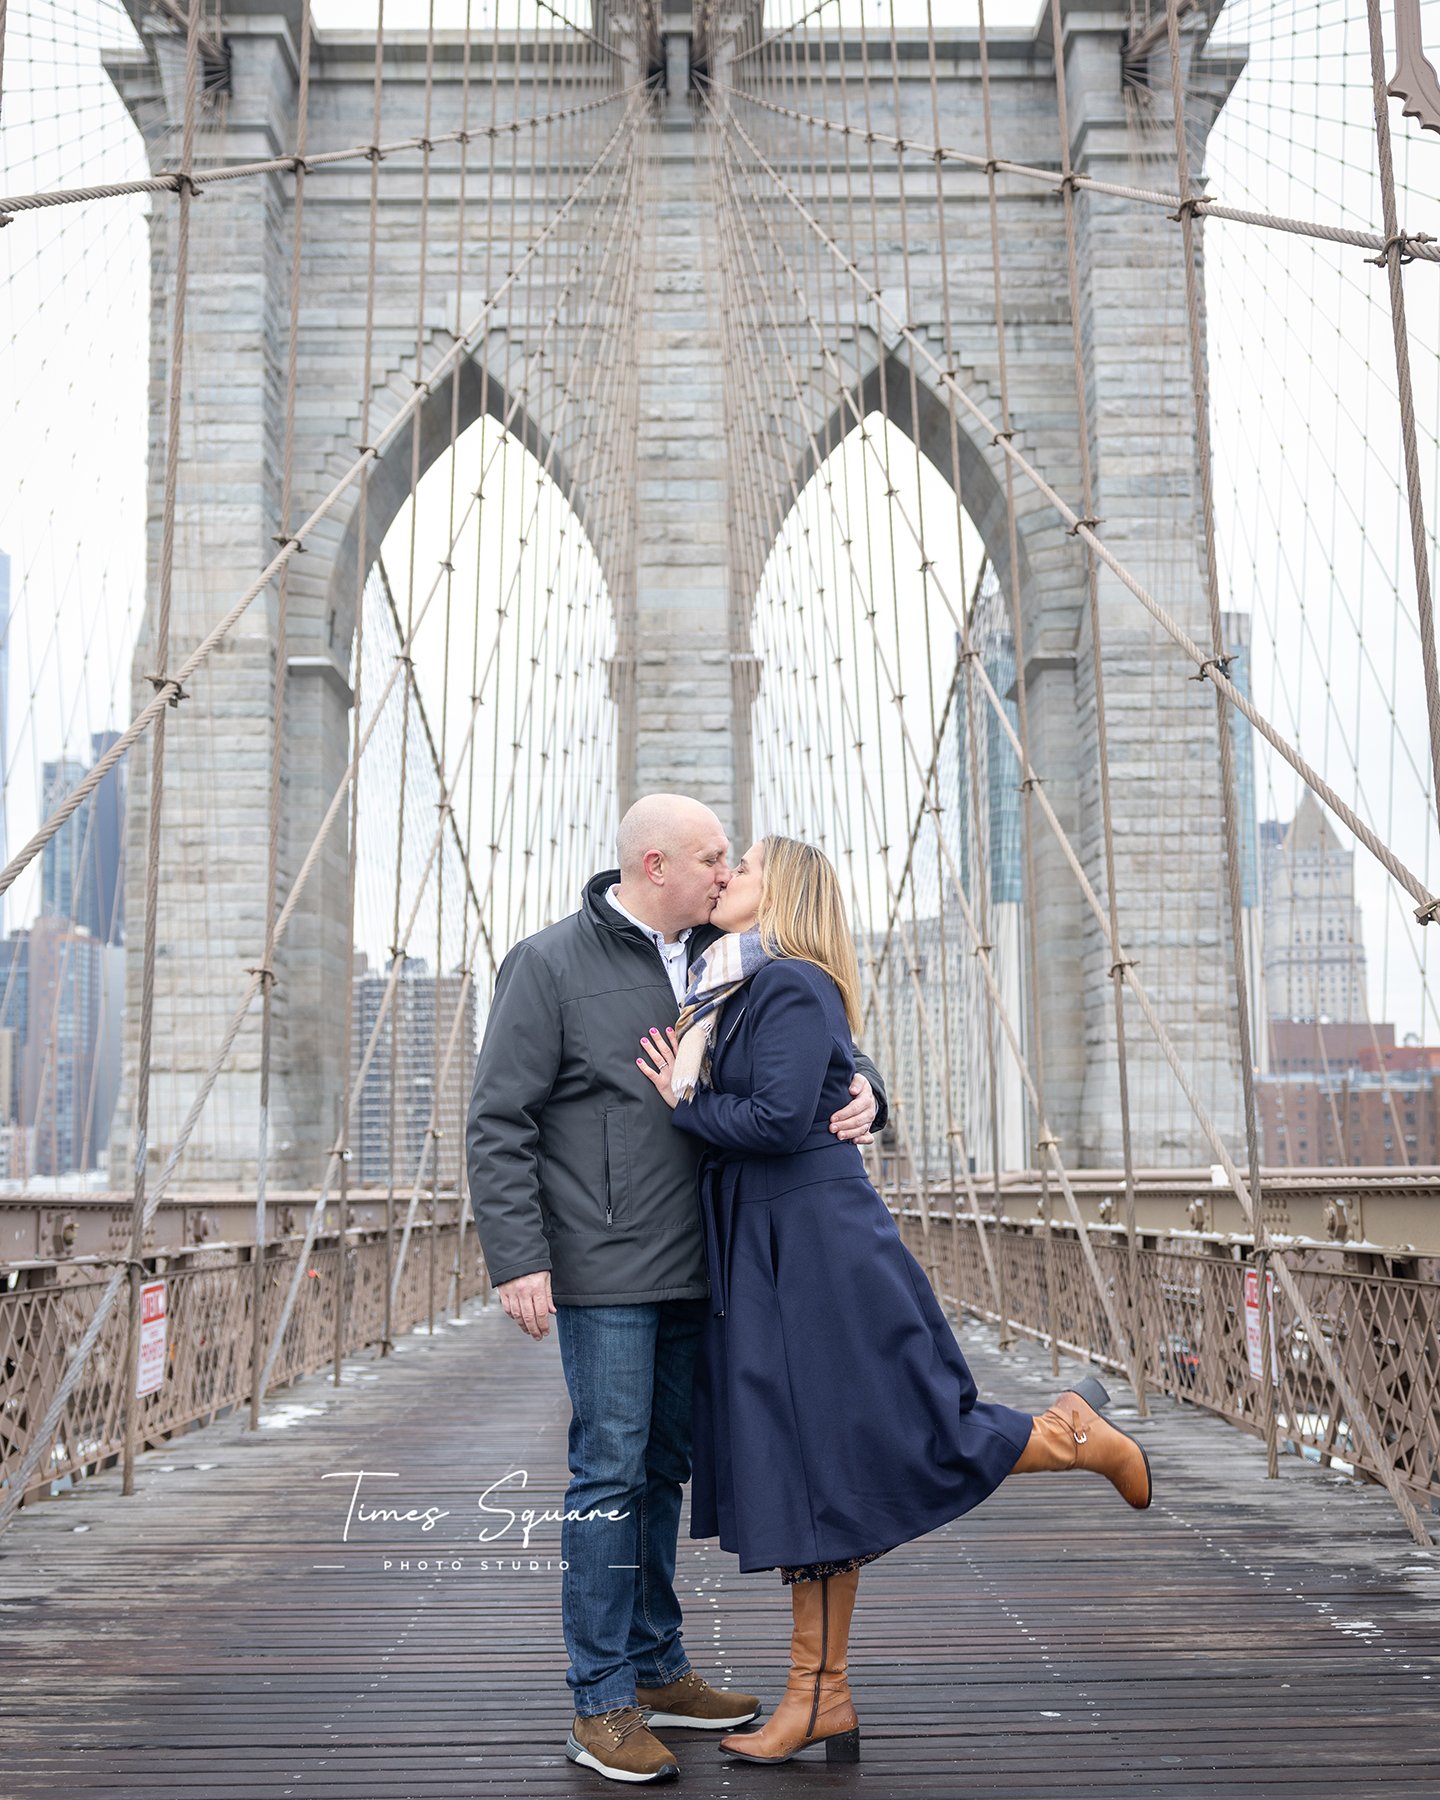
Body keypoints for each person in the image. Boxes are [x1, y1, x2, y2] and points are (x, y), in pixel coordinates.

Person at [635, 834, 1153, 1768]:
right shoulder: (739, 988)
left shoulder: (788, 984)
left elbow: (781, 1119)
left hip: (816, 1251)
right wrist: (860, 1084)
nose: (726, 878)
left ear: (778, 892)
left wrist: (683, 1103)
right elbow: (825, 1080)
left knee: (857, 1452)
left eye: (742, 867)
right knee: (813, 1470)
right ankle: (820, 1697)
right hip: (773, 1246)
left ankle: (1068, 1436)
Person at [464, 794, 891, 1784]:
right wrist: (518, 1258)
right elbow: (499, 1121)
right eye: (712, 857)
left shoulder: (721, 951)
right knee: (608, 1475)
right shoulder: (550, 964)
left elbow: (808, 1021)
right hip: (608, 1268)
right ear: (655, 865)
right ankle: (601, 1701)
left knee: (664, 1473)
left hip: (713, 1262)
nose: (727, 869)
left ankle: (659, 1669)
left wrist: (871, 1083)